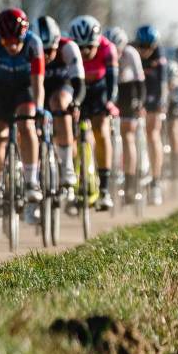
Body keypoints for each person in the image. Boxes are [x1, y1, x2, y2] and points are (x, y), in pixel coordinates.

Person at [0, 8, 45, 214]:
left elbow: (38, 82)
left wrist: (40, 108)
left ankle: (31, 180)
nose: (11, 45)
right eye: (6, 40)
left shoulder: (34, 44)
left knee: (27, 125)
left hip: (24, 89)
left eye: (16, 39)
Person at [68, 17, 119, 210]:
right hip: (76, 87)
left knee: (101, 130)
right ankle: (73, 183)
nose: (85, 52)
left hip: (99, 89)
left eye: (89, 47)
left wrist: (110, 103)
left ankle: (104, 189)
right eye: (80, 48)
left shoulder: (108, 49)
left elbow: (113, 82)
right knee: (69, 135)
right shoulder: (69, 50)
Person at [36, 16, 82, 209]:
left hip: (63, 88)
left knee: (60, 101)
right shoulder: (30, 47)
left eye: (50, 50)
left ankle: (67, 167)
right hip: (39, 88)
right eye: (42, 51)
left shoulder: (68, 48)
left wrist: (76, 103)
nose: (47, 56)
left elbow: (80, 83)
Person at [132, 26, 170, 205]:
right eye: (142, 46)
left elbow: (162, 85)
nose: (145, 50)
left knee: (153, 133)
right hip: (136, 92)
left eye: (149, 46)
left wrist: (161, 104)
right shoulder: (133, 52)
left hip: (154, 93)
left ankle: (155, 182)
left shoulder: (159, 56)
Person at [110, 27, 145, 205]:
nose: (115, 53)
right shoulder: (105, 52)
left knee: (128, 135)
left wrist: (139, 103)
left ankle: (130, 182)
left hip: (129, 91)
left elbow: (140, 82)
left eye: (118, 49)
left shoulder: (131, 53)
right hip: (111, 91)